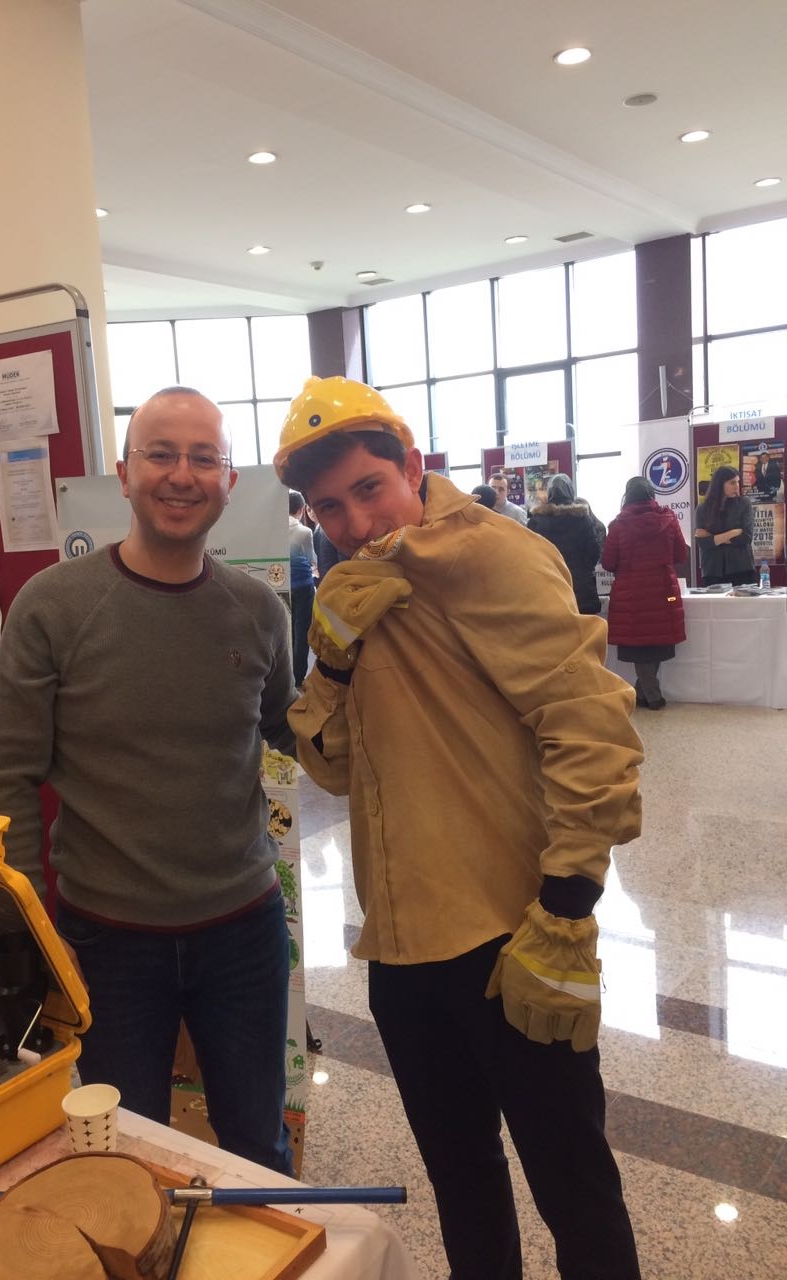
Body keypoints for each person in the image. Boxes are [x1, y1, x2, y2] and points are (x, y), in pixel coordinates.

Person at [274, 375, 644, 1280]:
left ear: (412, 466)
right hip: (402, 951)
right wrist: (332, 663)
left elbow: (589, 727)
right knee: (462, 1180)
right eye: (329, 507)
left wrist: (567, 908)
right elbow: (333, 769)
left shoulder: (494, 555)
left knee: (574, 1184)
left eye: (369, 488)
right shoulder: (354, 584)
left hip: (511, 938)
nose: (354, 522)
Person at [0, 385, 297, 1174]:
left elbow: (293, 729)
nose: (182, 475)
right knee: (127, 1151)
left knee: (258, 1142)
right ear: (124, 475)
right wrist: (30, 930)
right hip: (106, 939)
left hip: (243, 929)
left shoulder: (259, 611)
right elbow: (11, 776)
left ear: (230, 482)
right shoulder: (52, 606)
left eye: (204, 458)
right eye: (160, 454)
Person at [602, 477, 689, 710]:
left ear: (627, 496)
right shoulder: (669, 519)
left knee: (639, 643)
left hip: (630, 593)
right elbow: (681, 555)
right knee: (659, 639)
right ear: (652, 494)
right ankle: (648, 693)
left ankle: (650, 695)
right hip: (664, 591)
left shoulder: (618, 525)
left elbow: (608, 562)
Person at [527, 473, 605, 614]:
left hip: (548, 587)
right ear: (571, 492)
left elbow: (530, 557)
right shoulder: (582, 519)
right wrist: (582, 570)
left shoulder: (536, 521)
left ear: (549, 493)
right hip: (580, 588)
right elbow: (593, 553)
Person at [694, 465, 756, 586]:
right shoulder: (703, 508)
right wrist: (733, 533)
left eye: (738, 482)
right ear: (719, 485)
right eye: (732, 483)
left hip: (741, 568)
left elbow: (746, 537)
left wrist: (713, 538)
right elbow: (702, 542)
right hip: (713, 570)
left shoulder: (744, 504)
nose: (737, 486)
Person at [288, 489, 317, 686]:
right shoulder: (304, 532)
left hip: (284, 585)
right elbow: (311, 559)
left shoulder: (274, 529)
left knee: (288, 630)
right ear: (300, 510)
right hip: (304, 586)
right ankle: (298, 678)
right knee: (302, 631)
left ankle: (287, 675)